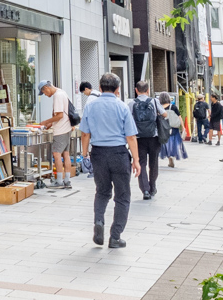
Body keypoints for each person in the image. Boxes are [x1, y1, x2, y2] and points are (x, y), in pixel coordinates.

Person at [79, 72, 140, 249]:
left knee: (102, 191)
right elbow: (131, 137)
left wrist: (85, 155)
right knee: (122, 196)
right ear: (118, 89)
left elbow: (85, 134)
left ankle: (99, 220)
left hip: (98, 153)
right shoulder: (122, 107)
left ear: (99, 87)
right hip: (119, 154)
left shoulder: (90, 106)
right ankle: (115, 237)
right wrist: (136, 160)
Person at [130, 80, 164, 199]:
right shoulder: (154, 101)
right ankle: (152, 186)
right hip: (153, 137)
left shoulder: (132, 103)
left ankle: (145, 190)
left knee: (141, 163)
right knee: (153, 164)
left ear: (136, 90)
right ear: (148, 90)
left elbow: (128, 119)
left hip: (138, 138)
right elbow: (164, 114)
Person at [38, 80, 74, 188]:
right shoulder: (62, 92)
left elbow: (59, 116)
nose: (45, 94)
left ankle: (59, 181)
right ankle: (67, 180)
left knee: (56, 155)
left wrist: (46, 122)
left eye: (44, 92)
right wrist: (50, 124)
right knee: (66, 154)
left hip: (60, 130)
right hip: (66, 128)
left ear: (46, 88)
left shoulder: (57, 96)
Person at [158, 92, 187, 166]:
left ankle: (169, 157)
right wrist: (183, 127)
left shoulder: (159, 108)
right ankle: (172, 155)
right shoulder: (173, 107)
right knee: (174, 143)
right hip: (174, 128)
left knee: (165, 144)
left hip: (164, 128)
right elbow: (179, 117)